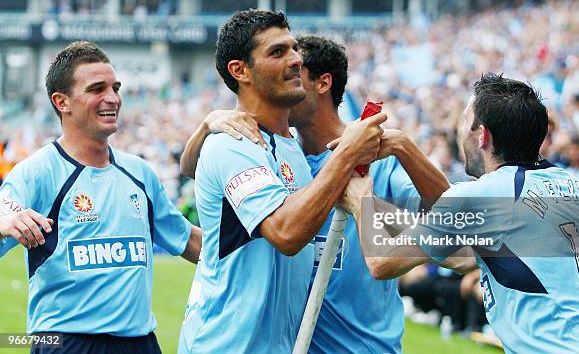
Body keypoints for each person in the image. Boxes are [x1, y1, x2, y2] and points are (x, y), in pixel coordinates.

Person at [180, 34, 474, 352]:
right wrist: (206, 126)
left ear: (323, 84)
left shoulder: (378, 160)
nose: (288, 77)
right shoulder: (277, 158)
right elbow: (197, 171)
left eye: (297, 72)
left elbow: (459, 228)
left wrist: (402, 145)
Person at [340, 73, 579, 352]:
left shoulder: (489, 193)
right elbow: (461, 239)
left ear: (482, 135)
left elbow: (383, 262)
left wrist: (361, 198)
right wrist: (402, 147)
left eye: (463, 121)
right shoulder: (567, 183)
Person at [177, 11, 386, 353]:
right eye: (278, 52)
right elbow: (286, 234)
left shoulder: (291, 147)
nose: (295, 60)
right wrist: (347, 153)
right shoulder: (232, 142)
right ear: (239, 70)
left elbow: (191, 166)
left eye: (293, 49)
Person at [0, 41, 202, 353]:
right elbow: (4, 212)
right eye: (97, 89)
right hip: (64, 342)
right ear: (62, 102)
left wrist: (263, 241)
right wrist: (8, 222)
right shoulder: (36, 172)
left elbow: (189, 240)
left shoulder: (139, 172)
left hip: (139, 343)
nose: (113, 98)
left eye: (115, 87)